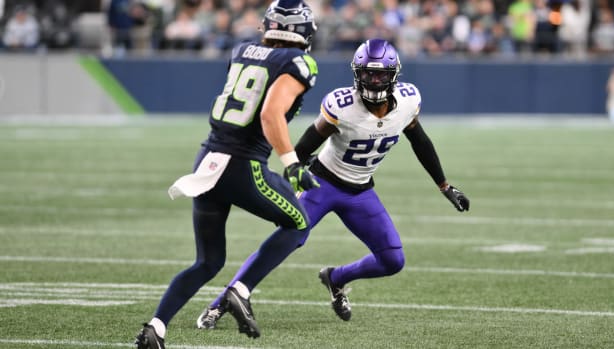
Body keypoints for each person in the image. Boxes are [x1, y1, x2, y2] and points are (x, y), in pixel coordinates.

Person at [197, 38, 470, 330]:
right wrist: (294, 173)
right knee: (286, 240)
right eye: (367, 73)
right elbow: (303, 147)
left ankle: (336, 278)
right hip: (321, 185)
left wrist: (444, 186)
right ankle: (220, 304)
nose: (374, 80)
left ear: (394, 74)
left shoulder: (407, 102)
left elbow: (421, 142)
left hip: (360, 191)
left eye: (380, 74)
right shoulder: (343, 106)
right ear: (356, 73)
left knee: (392, 260)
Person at [134, 0, 319, 348]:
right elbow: (270, 115)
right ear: (303, 31)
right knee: (299, 224)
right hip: (242, 166)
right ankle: (239, 290)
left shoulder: (242, 49)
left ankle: (155, 328)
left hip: (207, 160)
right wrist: (292, 163)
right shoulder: (299, 62)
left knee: (207, 261)